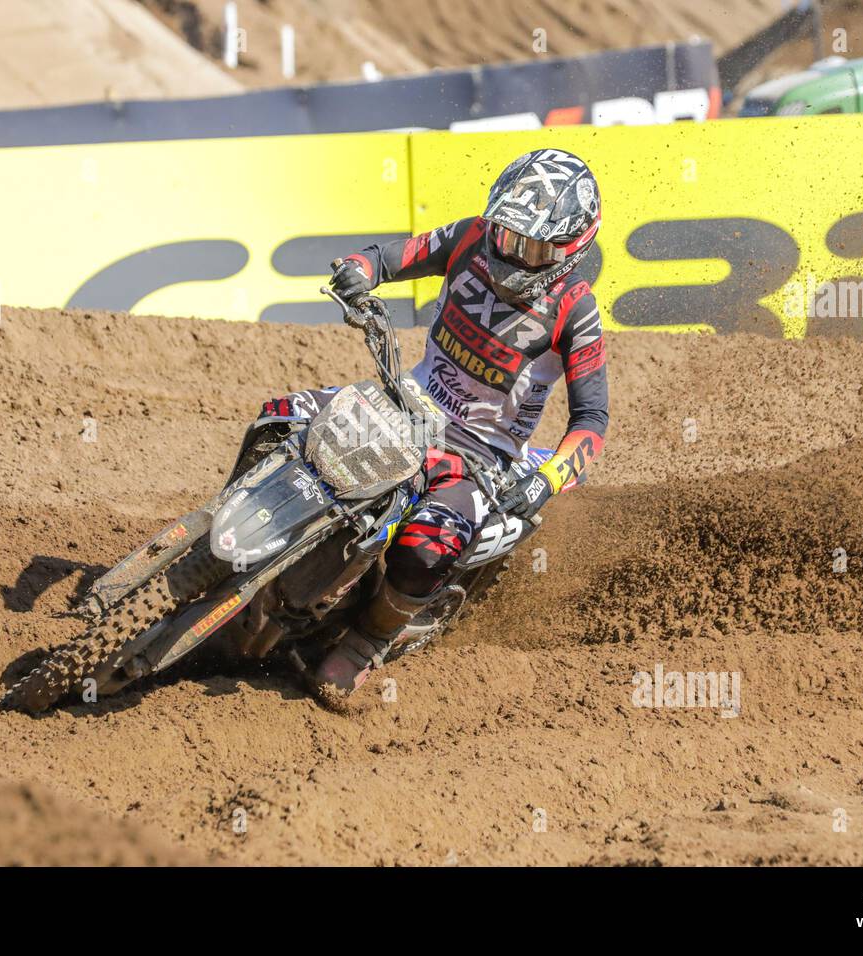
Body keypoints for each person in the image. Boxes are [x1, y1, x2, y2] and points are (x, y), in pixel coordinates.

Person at [256, 148, 610, 703]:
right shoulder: (472, 237)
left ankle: (366, 640)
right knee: (283, 415)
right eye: (508, 234)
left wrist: (549, 478)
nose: (510, 252)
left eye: (532, 246)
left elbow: (592, 421)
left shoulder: (576, 309)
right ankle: (234, 529)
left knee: (426, 550)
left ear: (569, 250)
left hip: (479, 453)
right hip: (405, 400)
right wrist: (359, 269)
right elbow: (394, 257)